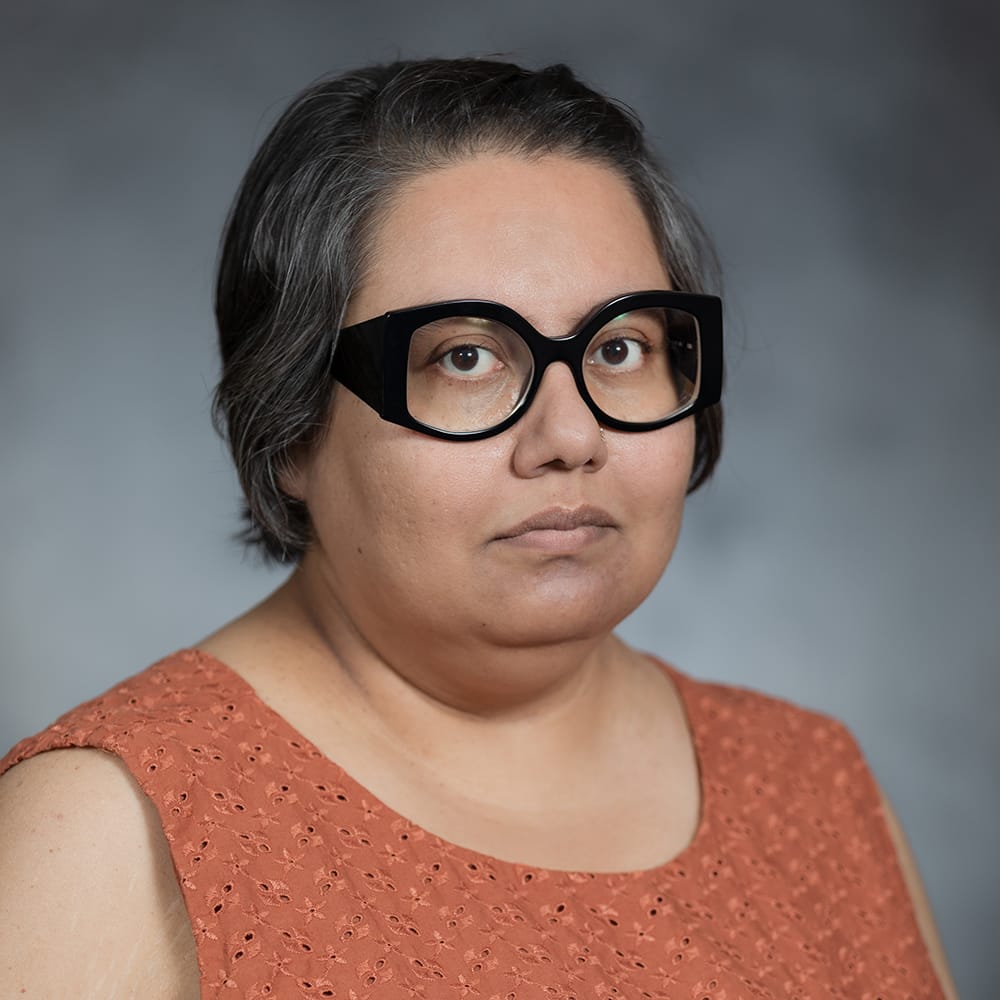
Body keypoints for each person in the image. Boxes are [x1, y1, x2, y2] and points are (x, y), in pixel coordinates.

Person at [0, 58, 957, 998]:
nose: (571, 436)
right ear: (289, 428)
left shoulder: (814, 785)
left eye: (620, 348)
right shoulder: (99, 833)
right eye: (465, 359)